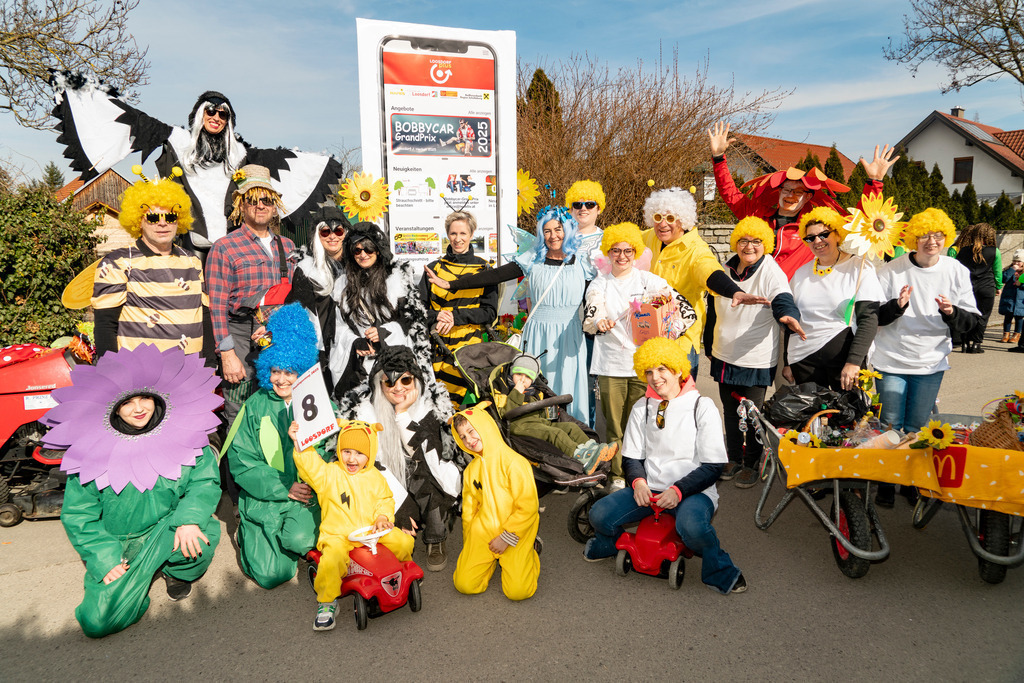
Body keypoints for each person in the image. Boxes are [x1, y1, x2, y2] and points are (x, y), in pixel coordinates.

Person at [50, 74, 342, 253]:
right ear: (200, 114)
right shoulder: (176, 140)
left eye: (222, 114)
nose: (215, 117)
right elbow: (131, 120)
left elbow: (279, 165)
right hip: (185, 243)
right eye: (210, 112)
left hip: (231, 246)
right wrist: (75, 91)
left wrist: (324, 163)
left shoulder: (241, 154)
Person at [45, 345, 223, 638]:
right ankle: (135, 577)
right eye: (128, 403)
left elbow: (203, 483)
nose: (139, 408)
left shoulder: (187, 436)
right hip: (119, 544)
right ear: (113, 407)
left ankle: (172, 570)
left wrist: (189, 519)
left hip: (170, 529)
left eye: (145, 398)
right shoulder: (89, 450)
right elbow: (78, 515)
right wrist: (105, 558)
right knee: (97, 622)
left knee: (199, 545)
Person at [583, 337, 746, 595]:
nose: (654, 377)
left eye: (661, 369)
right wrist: (638, 482)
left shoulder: (702, 406)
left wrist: (678, 491)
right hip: (651, 491)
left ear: (678, 369)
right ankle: (607, 545)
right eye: (648, 371)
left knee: (692, 529)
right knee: (599, 514)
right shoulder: (642, 407)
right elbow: (632, 458)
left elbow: (713, 465)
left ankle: (720, 570)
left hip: (693, 492)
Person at [424, 206, 595, 423]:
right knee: (532, 390)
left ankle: (574, 440)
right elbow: (493, 276)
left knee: (567, 387)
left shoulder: (584, 262)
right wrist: (451, 284)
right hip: (537, 335)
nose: (553, 236)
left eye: (558, 229)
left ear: (568, 230)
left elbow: (597, 295)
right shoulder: (534, 257)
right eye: (547, 230)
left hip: (569, 336)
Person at [872, 208, 980, 507]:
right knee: (890, 425)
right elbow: (874, 317)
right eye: (923, 235)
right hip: (890, 359)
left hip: (931, 362)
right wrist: (897, 306)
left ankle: (911, 481)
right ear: (912, 238)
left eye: (937, 235)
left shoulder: (955, 270)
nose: (931, 241)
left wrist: (951, 312)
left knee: (917, 426)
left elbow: (971, 323)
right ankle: (885, 481)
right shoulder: (891, 270)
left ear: (946, 237)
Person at [223, 303, 330, 589]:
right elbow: (242, 460)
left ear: (303, 371)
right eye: (275, 371)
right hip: (265, 495)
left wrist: (308, 480)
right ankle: (248, 533)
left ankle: (294, 536)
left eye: (290, 372)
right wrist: (283, 488)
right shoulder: (255, 405)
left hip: (306, 495)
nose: (281, 380)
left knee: (300, 541)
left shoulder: (318, 402)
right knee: (272, 575)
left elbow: (331, 452)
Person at [583, 221, 697, 488]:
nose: (622, 256)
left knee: (644, 422)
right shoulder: (599, 284)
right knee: (615, 427)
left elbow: (684, 311)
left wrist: (666, 328)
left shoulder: (649, 281)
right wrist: (600, 321)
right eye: (616, 250)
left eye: (628, 251)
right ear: (607, 253)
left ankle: (644, 473)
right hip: (611, 365)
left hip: (644, 366)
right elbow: (592, 313)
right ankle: (619, 476)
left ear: (636, 252)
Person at [707, 121, 896, 278]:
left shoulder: (816, 227)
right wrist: (718, 158)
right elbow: (729, 192)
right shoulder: (757, 215)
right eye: (787, 190)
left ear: (807, 198)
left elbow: (857, 222)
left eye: (798, 192)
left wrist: (875, 182)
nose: (790, 195)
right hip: (753, 292)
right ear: (779, 192)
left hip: (792, 298)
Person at [289, 419, 415, 630]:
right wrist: (299, 444)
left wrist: (382, 518)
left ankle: (402, 574)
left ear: (370, 454)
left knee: (402, 542)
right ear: (339, 450)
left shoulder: (374, 476)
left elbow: (385, 499)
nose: (352, 458)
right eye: (346, 451)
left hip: (371, 530)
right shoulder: (329, 474)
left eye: (359, 453)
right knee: (331, 560)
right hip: (339, 534)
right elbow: (310, 466)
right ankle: (327, 602)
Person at [350, 345, 465, 573]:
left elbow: (428, 458)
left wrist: (402, 414)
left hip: (423, 473)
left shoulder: (428, 409)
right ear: (379, 383)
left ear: (416, 381)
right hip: (387, 480)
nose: (398, 388)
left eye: (405, 381)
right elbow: (371, 466)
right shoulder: (366, 413)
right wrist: (400, 504)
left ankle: (435, 538)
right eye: (390, 382)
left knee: (429, 483)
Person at [711, 217, 805, 488]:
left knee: (751, 414)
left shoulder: (770, 270)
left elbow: (782, 297)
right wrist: (709, 344)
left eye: (756, 241)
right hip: (723, 354)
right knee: (729, 411)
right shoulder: (725, 268)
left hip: (754, 358)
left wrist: (788, 314)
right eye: (743, 240)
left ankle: (752, 461)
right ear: (735, 243)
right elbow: (712, 310)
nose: (749, 246)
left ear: (766, 245)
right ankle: (733, 456)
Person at [639, 187, 769, 368]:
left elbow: (710, 271)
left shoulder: (696, 249)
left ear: (683, 221)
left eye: (670, 218)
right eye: (658, 217)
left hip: (681, 340)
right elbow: (620, 243)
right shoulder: (647, 237)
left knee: (681, 395)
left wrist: (734, 292)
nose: (662, 224)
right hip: (647, 333)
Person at [206, 164, 296, 425]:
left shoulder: (288, 246)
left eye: (267, 200)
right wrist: (227, 354)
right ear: (241, 206)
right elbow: (217, 306)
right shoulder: (224, 247)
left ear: (274, 204)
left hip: (279, 333)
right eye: (252, 200)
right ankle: (242, 465)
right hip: (241, 335)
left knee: (279, 406)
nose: (260, 205)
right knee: (240, 412)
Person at [91, 169, 212, 360]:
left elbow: (204, 317)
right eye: (153, 218)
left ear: (178, 220)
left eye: (170, 217)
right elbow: (105, 325)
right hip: (139, 373)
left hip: (190, 371)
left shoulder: (193, 261)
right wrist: (112, 371)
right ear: (139, 221)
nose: (162, 224)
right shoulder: (117, 262)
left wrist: (209, 365)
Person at [330, 222, 445, 406]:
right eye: (357, 250)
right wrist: (354, 342)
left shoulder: (396, 278)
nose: (363, 255)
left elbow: (412, 319)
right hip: (362, 366)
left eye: (368, 249)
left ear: (378, 250)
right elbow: (338, 326)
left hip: (396, 363)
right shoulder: (342, 284)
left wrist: (385, 332)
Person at [783, 207, 883, 391]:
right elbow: (792, 320)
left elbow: (869, 319)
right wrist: (787, 360)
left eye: (823, 234)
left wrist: (854, 361)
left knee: (849, 416)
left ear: (838, 234)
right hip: (803, 359)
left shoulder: (859, 268)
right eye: (810, 238)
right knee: (811, 418)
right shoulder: (800, 273)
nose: (817, 241)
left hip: (844, 361)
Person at [451, 405, 541, 601]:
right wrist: (470, 540)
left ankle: (529, 554)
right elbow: (468, 509)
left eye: (471, 431)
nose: (468, 440)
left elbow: (528, 507)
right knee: (464, 584)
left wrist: (507, 537)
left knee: (518, 592)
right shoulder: (471, 470)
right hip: (483, 532)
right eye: (462, 436)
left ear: (486, 427)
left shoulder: (514, 463)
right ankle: (491, 561)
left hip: (515, 533)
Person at [420, 211, 498, 406]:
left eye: (463, 233)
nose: (458, 239)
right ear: (448, 235)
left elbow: (489, 312)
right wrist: (437, 316)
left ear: (471, 235)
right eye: (453, 233)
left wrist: (456, 317)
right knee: (439, 407)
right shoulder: (433, 269)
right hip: (437, 348)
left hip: (471, 351)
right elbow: (417, 311)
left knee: (471, 409)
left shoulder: (484, 270)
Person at [489, 353, 617, 471]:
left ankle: (593, 449)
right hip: (520, 426)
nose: (522, 379)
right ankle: (581, 456)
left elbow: (540, 413)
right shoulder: (506, 393)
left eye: (528, 377)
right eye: (518, 374)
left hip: (539, 423)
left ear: (533, 380)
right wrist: (516, 392)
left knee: (570, 427)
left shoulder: (534, 393)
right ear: (511, 375)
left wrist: (550, 410)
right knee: (555, 433)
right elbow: (507, 413)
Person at [285, 205, 351, 392]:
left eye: (338, 230)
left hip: (354, 345)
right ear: (317, 235)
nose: (332, 236)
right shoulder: (306, 269)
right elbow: (295, 313)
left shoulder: (358, 263)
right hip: (323, 351)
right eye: (325, 231)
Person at [566, 179, 608, 428]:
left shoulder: (608, 239)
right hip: (567, 314)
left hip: (593, 314)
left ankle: (589, 430)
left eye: (589, 204)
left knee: (591, 376)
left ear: (599, 208)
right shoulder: (563, 237)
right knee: (571, 373)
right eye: (577, 204)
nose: (583, 208)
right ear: (570, 208)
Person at [949, 223, 1002, 353]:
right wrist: (999, 286)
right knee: (983, 316)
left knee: (968, 313)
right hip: (986, 286)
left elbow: (958, 269)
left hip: (968, 286)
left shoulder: (964, 250)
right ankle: (976, 344)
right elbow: (997, 272)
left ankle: (965, 342)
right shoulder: (994, 251)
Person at [999, 249, 1024, 344]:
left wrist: (1020, 284)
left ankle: (1017, 334)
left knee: (1019, 318)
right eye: (1014, 261)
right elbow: (1003, 279)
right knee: (1008, 317)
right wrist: (1011, 270)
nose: (1016, 263)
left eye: (1019, 261)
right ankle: (1006, 334)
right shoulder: (1009, 270)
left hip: (1020, 300)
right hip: (1009, 299)